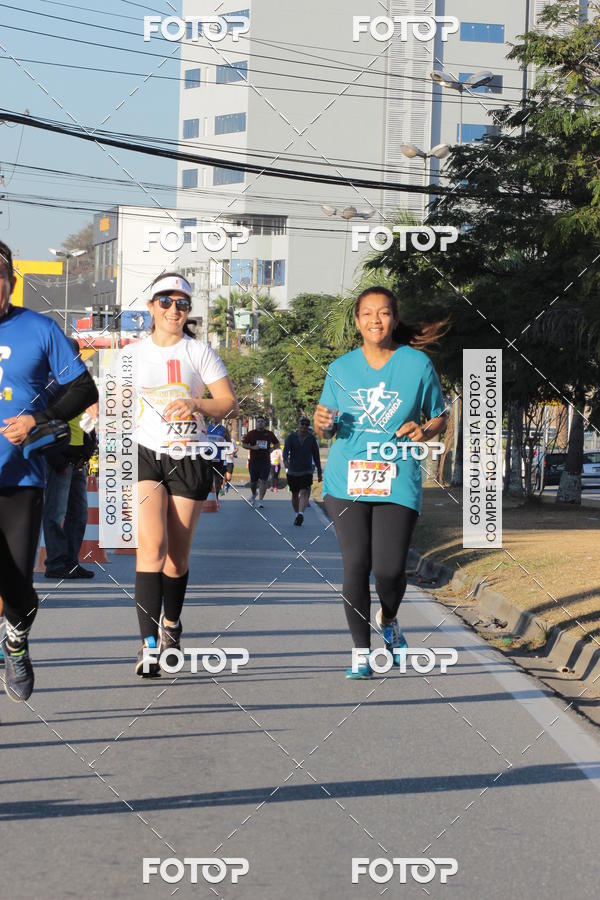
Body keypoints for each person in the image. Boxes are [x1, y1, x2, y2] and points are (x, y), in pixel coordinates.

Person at [314, 286, 447, 679]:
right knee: (356, 564)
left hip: (397, 476)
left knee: (389, 570)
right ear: (357, 322)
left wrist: (424, 430)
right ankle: (360, 652)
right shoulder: (340, 369)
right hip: (346, 480)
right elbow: (327, 422)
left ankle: (389, 618)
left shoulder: (416, 365)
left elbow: (439, 415)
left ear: (394, 318)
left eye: (384, 313)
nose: (376, 320)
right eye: (368, 313)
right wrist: (324, 424)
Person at [0, 240, 98, 700]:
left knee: (17, 584)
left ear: (10, 283)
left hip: (19, 478)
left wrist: (37, 419)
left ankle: (16, 641)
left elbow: (82, 389)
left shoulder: (38, 329)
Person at [130, 272, 237, 677]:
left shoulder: (199, 352)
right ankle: (148, 645)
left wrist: (197, 404)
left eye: (182, 304)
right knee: (150, 549)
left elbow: (228, 404)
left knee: (176, 558)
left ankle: (171, 625)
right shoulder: (131, 354)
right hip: (144, 454)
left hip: (189, 456)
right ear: (151, 307)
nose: (174, 310)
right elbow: (113, 402)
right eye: (166, 302)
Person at [42, 348, 97, 580]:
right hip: (61, 458)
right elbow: (42, 422)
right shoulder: (50, 384)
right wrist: (56, 458)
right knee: (56, 512)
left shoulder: (77, 382)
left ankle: (70, 561)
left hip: (77, 459)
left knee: (79, 513)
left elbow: (85, 422)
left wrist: (87, 449)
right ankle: (55, 562)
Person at [283, 416, 322, 525]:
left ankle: (301, 514)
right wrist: (285, 460)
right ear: (298, 425)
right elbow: (285, 450)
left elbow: (316, 455)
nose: (304, 426)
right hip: (293, 470)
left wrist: (319, 471)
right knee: (295, 494)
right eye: (302, 424)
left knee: (304, 491)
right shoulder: (291, 437)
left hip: (306, 470)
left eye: (306, 424)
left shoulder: (312, 439)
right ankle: (297, 514)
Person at [241, 415, 279, 508]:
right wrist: (252, 447)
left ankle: (260, 500)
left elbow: (277, 443)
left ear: (265, 423)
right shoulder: (251, 433)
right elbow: (244, 444)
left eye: (262, 421)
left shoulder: (269, 434)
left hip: (265, 460)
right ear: (256, 423)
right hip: (254, 461)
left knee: (264, 481)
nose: (260, 423)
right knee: (253, 482)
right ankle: (254, 494)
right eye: (258, 421)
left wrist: (272, 449)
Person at [206, 419, 232, 497]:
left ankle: (216, 497)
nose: (215, 418)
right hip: (207, 457)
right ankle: (206, 498)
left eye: (217, 417)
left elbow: (229, 442)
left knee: (218, 480)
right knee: (207, 479)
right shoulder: (206, 427)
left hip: (219, 458)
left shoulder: (224, 430)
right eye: (213, 416)